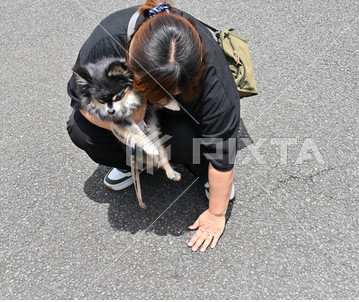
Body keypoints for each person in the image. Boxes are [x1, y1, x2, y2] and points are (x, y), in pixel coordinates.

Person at [66, 1, 240, 253]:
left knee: (189, 142)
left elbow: (223, 151)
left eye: (172, 90)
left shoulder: (214, 78)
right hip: (128, 110)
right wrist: (127, 123)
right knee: (81, 128)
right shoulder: (106, 45)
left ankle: (203, 175)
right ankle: (130, 163)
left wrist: (216, 214)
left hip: (181, 118)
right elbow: (81, 103)